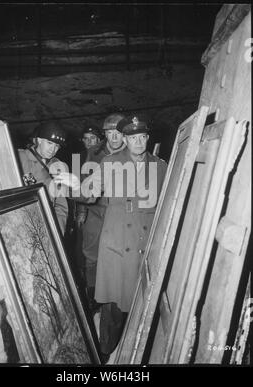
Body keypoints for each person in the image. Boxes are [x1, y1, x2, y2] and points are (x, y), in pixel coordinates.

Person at [55, 115, 167, 362]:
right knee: (115, 305)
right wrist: (76, 185)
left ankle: (136, 351)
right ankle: (104, 354)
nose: (138, 142)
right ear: (125, 140)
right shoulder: (110, 162)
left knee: (144, 303)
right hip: (117, 243)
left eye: (142, 137)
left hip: (146, 243)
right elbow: (90, 191)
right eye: (132, 138)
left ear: (147, 138)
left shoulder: (160, 166)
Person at [75, 114, 126, 315]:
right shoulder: (93, 152)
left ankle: (115, 299)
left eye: (118, 132)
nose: (114, 137)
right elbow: (83, 185)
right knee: (91, 256)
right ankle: (93, 297)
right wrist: (81, 211)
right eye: (109, 132)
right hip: (95, 212)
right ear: (104, 134)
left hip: (120, 215)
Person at [18, 121, 68, 235]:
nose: (53, 149)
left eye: (57, 146)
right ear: (39, 140)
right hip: (22, 223)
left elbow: (61, 205)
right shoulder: (20, 157)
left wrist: (58, 233)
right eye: (49, 143)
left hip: (46, 226)